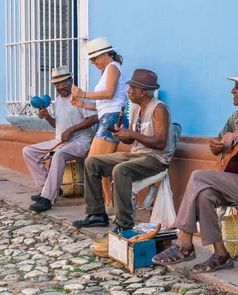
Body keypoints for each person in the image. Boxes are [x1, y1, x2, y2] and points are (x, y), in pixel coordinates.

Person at [152, 66, 238, 273]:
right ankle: (221, 254)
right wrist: (218, 146)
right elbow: (221, 143)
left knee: (197, 176)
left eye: (237, 87)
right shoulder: (236, 118)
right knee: (205, 195)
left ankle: (184, 241)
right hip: (233, 180)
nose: (232, 91)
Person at [72, 69, 176, 231]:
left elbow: (160, 143)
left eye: (132, 88)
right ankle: (96, 214)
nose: (128, 91)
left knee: (121, 170)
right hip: (136, 155)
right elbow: (133, 138)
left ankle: (124, 223)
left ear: (142, 92)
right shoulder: (134, 108)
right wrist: (123, 135)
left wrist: (132, 134)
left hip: (156, 159)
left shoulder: (159, 109)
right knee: (92, 162)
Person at [23, 66, 98, 213]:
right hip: (60, 141)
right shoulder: (57, 101)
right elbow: (56, 125)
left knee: (58, 155)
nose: (60, 87)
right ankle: (48, 188)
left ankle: (47, 198)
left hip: (80, 142)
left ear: (71, 81)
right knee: (28, 151)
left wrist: (71, 129)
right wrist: (47, 117)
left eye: (63, 83)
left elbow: (94, 118)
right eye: (57, 84)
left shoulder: (80, 97)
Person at [70, 37, 129, 209]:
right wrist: (81, 104)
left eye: (94, 58)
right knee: (99, 162)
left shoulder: (113, 67)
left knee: (94, 162)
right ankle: (108, 203)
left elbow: (109, 94)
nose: (93, 62)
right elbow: (102, 104)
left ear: (104, 54)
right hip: (107, 117)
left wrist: (83, 94)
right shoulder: (107, 70)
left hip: (112, 118)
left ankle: (105, 204)